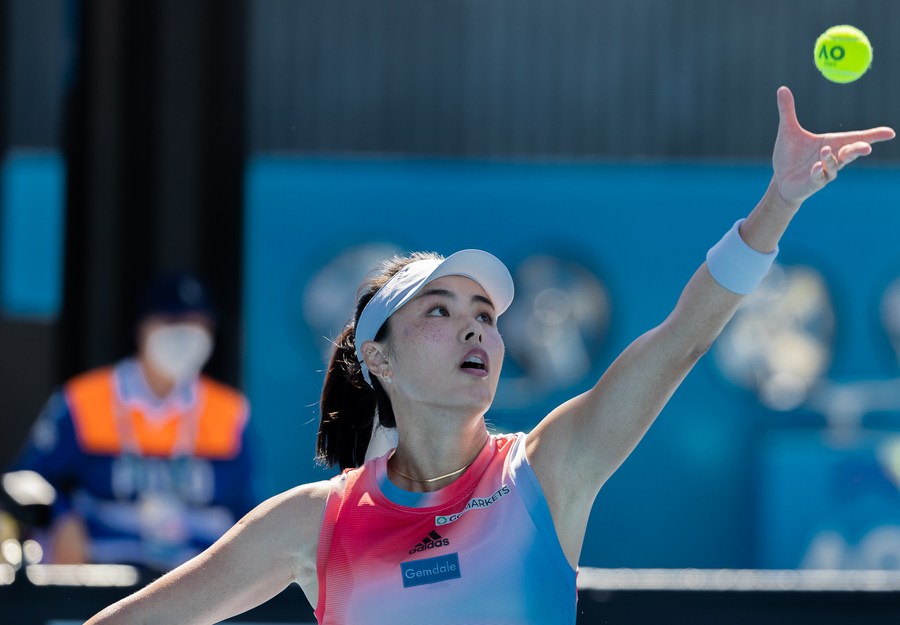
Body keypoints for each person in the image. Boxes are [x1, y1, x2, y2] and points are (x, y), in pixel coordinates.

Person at [83, 87, 893, 624]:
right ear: (382, 362)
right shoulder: (313, 520)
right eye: (440, 310)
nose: (478, 328)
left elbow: (683, 336)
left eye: (484, 312)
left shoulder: (549, 469)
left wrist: (778, 202)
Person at [9, 272, 256, 574]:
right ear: (142, 328)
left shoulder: (230, 411)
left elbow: (251, 509)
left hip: (196, 584)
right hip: (100, 576)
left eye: (198, 325)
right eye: (171, 322)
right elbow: (28, 479)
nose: (186, 336)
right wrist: (60, 517)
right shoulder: (84, 400)